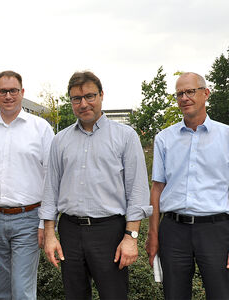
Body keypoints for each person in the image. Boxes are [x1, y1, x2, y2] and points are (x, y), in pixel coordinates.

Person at [40, 71, 152, 300]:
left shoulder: (126, 137)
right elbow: (50, 189)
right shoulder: (60, 140)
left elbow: (138, 191)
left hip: (109, 232)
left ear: (101, 95)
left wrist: (131, 237)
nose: (83, 103)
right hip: (70, 230)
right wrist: (50, 234)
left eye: (90, 96)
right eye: (76, 98)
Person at [0, 70, 54, 299]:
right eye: (3, 91)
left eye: (13, 90)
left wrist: (45, 225)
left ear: (22, 92)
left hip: (28, 220)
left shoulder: (41, 128)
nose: (8, 96)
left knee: (22, 290)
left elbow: (51, 178)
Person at [146, 72, 229, 300]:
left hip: (216, 230)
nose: (184, 98)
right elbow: (157, 189)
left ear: (206, 93)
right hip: (173, 230)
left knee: (222, 293)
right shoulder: (164, 138)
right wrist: (153, 234)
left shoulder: (226, 136)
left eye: (190, 91)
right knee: (174, 295)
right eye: (180, 93)